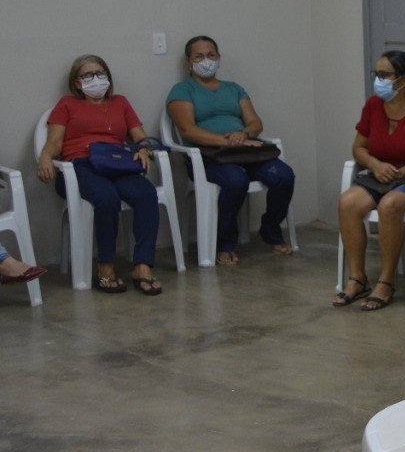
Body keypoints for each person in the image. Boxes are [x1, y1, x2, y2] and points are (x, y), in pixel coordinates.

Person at [333, 50, 405, 311]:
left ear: (403, 80)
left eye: (384, 75)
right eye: (376, 74)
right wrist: (374, 165)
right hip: (380, 175)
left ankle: (386, 281)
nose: (378, 80)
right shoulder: (373, 106)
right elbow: (358, 148)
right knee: (348, 202)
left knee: (390, 205)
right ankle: (357, 278)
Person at [36, 55, 165, 294]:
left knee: (146, 193)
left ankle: (143, 266)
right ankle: (106, 265)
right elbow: (54, 142)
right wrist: (45, 157)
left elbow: (140, 137)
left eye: (100, 73)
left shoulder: (120, 102)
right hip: (79, 167)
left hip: (115, 164)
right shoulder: (66, 104)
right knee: (107, 197)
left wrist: (143, 149)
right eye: (87, 75)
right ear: (77, 83)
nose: (95, 79)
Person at [167, 36, 296, 265]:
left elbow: (255, 123)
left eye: (211, 55)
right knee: (236, 181)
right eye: (199, 56)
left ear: (219, 58)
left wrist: (244, 134)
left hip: (245, 152)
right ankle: (225, 243)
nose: (206, 61)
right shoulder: (182, 90)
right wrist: (227, 141)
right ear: (189, 62)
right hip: (208, 157)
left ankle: (270, 228)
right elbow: (188, 130)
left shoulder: (234, 88)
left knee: (284, 176)